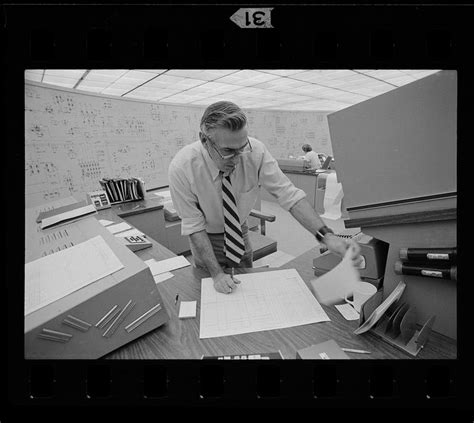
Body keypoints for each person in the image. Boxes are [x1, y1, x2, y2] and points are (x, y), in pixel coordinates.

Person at [168, 101, 362, 294]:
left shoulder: (256, 152)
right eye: (228, 151)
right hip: (205, 235)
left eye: (242, 148)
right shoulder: (182, 167)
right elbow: (194, 226)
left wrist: (326, 236)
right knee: (211, 289)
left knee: (245, 287)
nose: (237, 159)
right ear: (204, 140)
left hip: (238, 230)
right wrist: (217, 274)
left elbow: (289, 195)